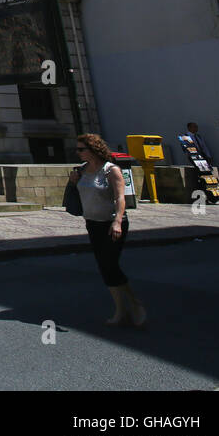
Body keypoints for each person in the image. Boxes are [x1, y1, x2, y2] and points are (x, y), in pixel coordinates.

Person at [73, 133, 145, 327]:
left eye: (81, 149)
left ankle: (133, 305)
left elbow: (120, 198)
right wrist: (73, 182)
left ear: (93, 149)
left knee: (110, 264)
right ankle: (122, 309)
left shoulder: (110, 170)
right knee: (105, 267)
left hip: (112, 223)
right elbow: (80, 193)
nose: (77, 153)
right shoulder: (81, 170)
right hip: (92, 223)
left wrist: (118, 221)